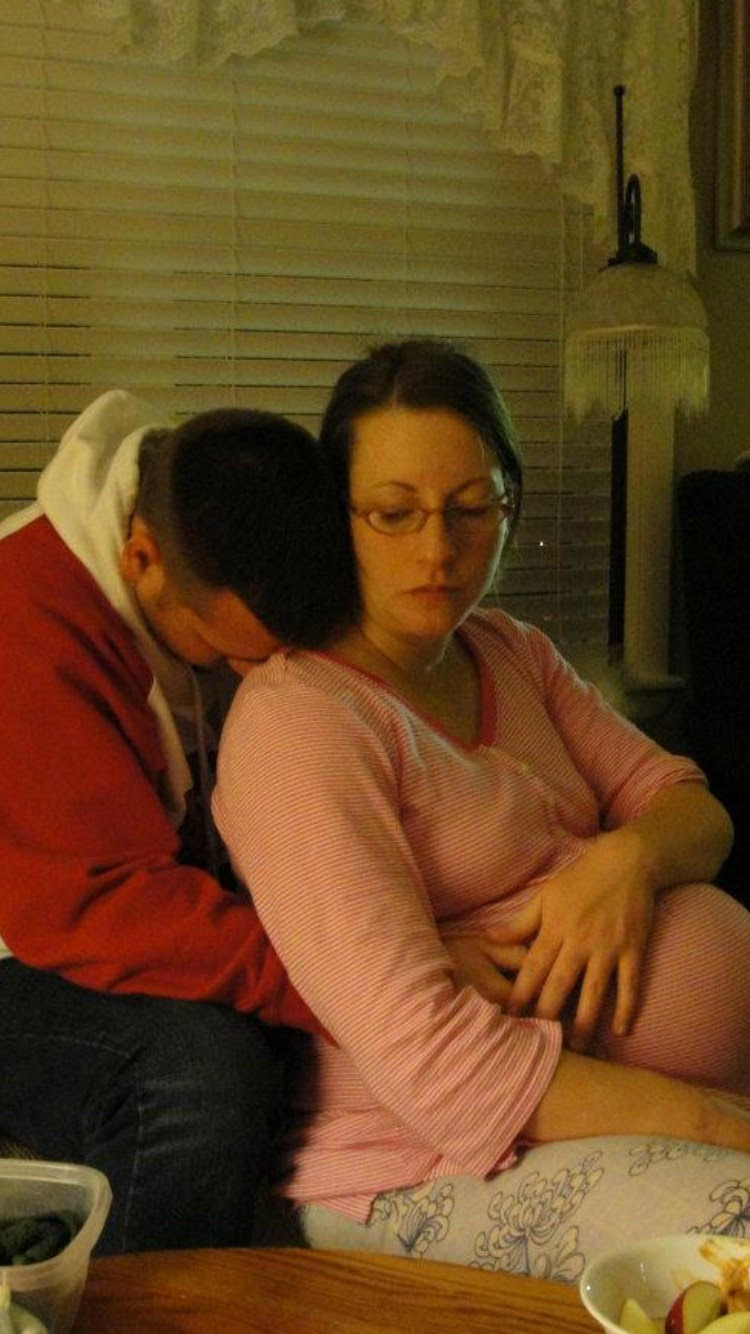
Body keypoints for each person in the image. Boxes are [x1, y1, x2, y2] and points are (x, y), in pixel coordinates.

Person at [214, 339, 750, 1279]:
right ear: (336, 517)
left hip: (639, 1101)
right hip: (428, 1157)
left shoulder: (509, 651)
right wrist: (710, 1121)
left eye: (471, 508)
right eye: (394, 513)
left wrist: (622, 865)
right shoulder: (301, 721)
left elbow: (693, 811)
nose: (437, 550)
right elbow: (430, 1060)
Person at [0, 389, 359, 1253]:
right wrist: (344, 981)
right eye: (228, 654)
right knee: (196, 1078)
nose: (254, 676)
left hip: (99, 911)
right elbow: (101, 907)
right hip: (25, 945)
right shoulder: (26, 624)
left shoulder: (225, 528)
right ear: (141, 560)